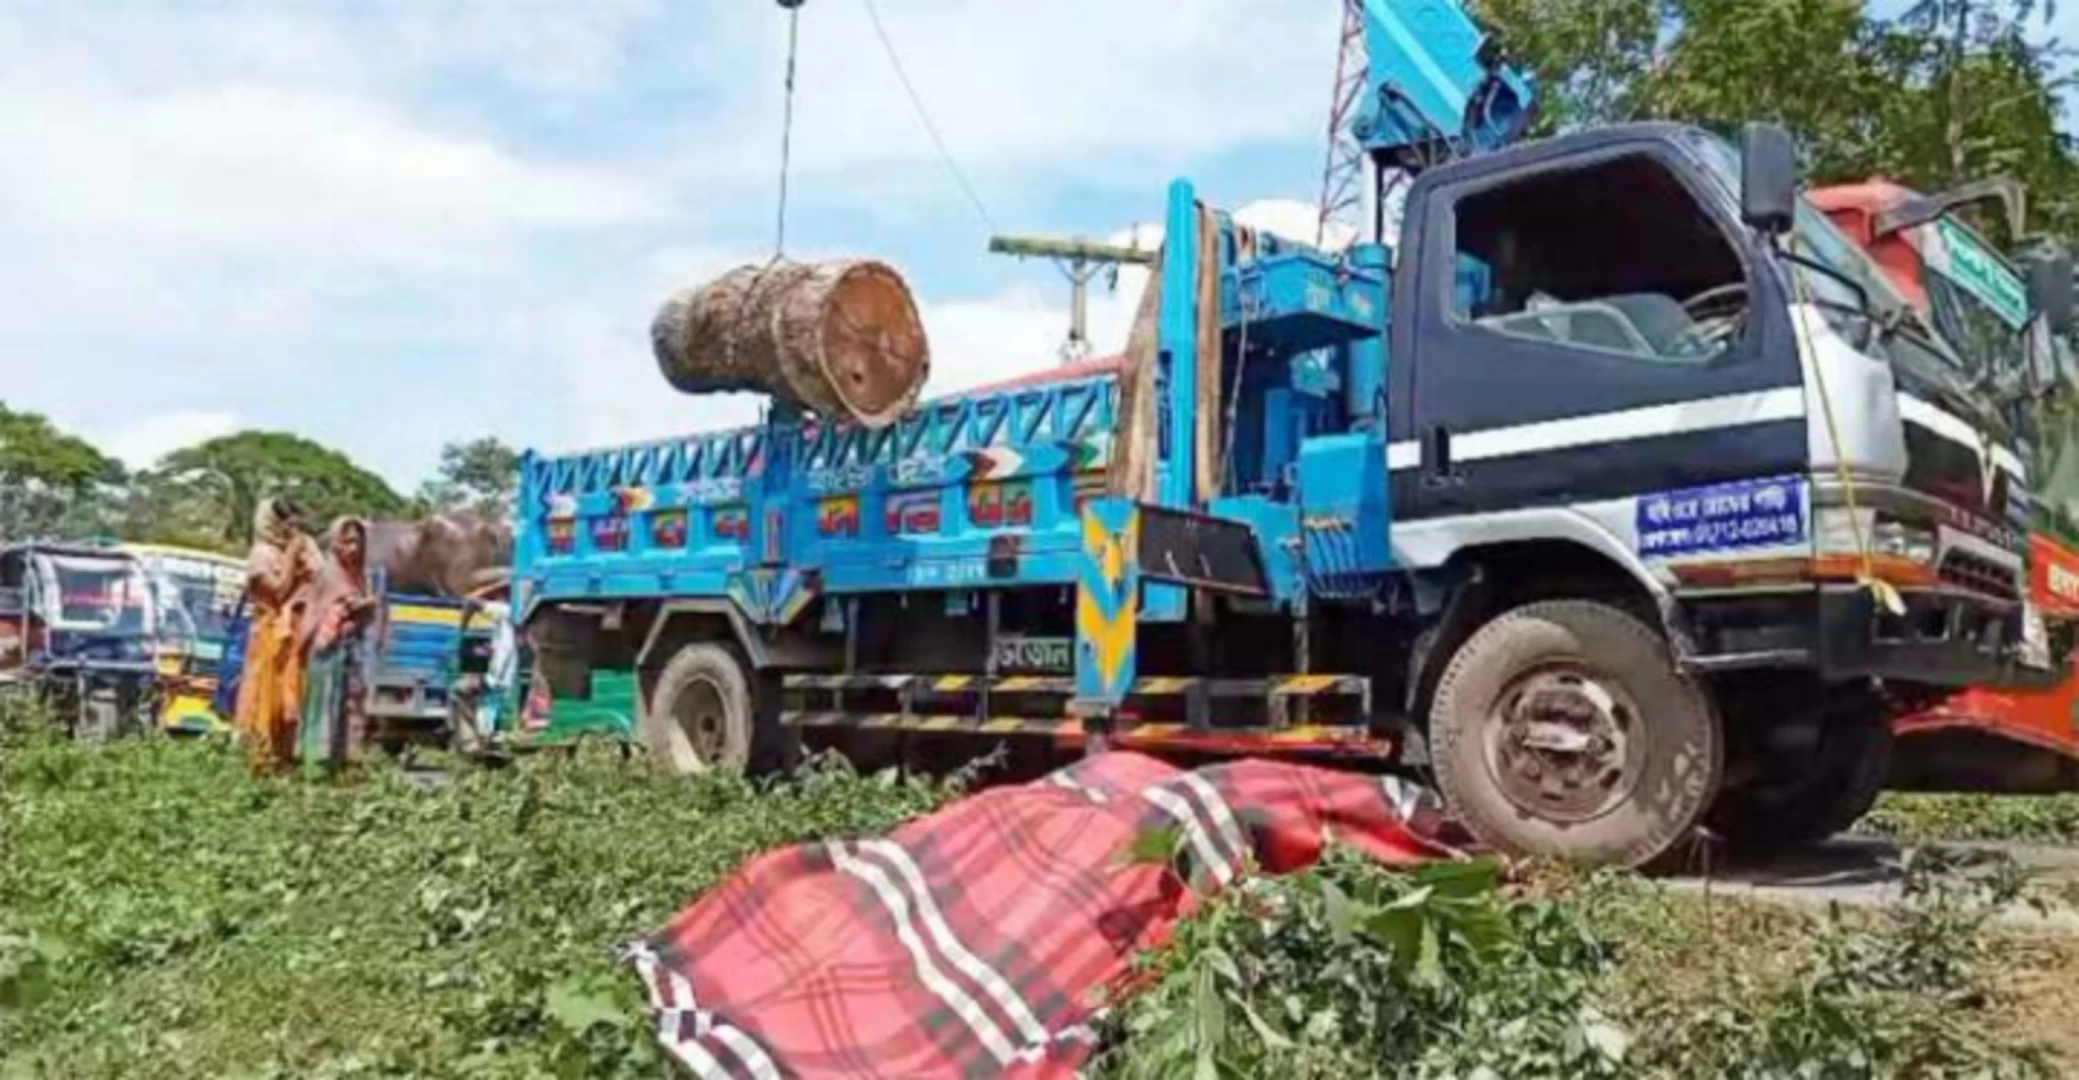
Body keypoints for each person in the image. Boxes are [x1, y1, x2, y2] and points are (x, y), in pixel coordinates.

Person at [233, 498, 321, 774]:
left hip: (292, 635)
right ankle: (258, 761)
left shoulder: (291, 550)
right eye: (285, 523)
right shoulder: (262, 555)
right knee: (264, 697)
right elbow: (278, 592)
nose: (289, 530)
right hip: (267, 635)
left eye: (294, 524)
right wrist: (292, 556)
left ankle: (284, 762)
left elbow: (320, 578)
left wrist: (307, 553)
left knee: (290, 700)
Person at [300, 517, 377, 772]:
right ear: (336, 543)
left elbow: (366, 614)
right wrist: (346, 607)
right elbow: (318, 609)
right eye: (347, 542)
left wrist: (365, 608)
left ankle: (338, 763)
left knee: (347, 707)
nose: (353, 548)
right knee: (323, 705)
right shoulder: (327, 572)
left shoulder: (359, 577)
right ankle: (313, 763)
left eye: (358, 542)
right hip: (326, 650)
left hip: (351, 649)